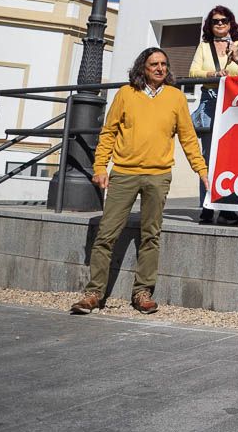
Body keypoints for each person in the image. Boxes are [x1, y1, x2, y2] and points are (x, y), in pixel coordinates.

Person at [71, 48, 208, 316]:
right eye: (153, 64)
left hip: (158, 176)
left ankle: (142, 292)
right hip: (124, 173)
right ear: (142, 68)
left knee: (151, 236)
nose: (160, 68)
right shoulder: (126, 94)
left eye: (164, 64)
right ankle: (94, 293)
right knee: (106, 234)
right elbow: (109, 132)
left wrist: (200, 170)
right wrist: (100, 167)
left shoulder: (176, 97)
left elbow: (188, 138)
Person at [188, 5, 238, 226]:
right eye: (215, 21)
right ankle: (207, 206)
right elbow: (192, 72)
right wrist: (213, 74)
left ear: (230, 23)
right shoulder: (203, 47)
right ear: (210, 25)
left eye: (224, 21)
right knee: (208, 157)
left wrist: (237, 59)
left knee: (231, 157)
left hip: (233, 104)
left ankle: (227, 208)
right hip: (210, 100)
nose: (219, 24)